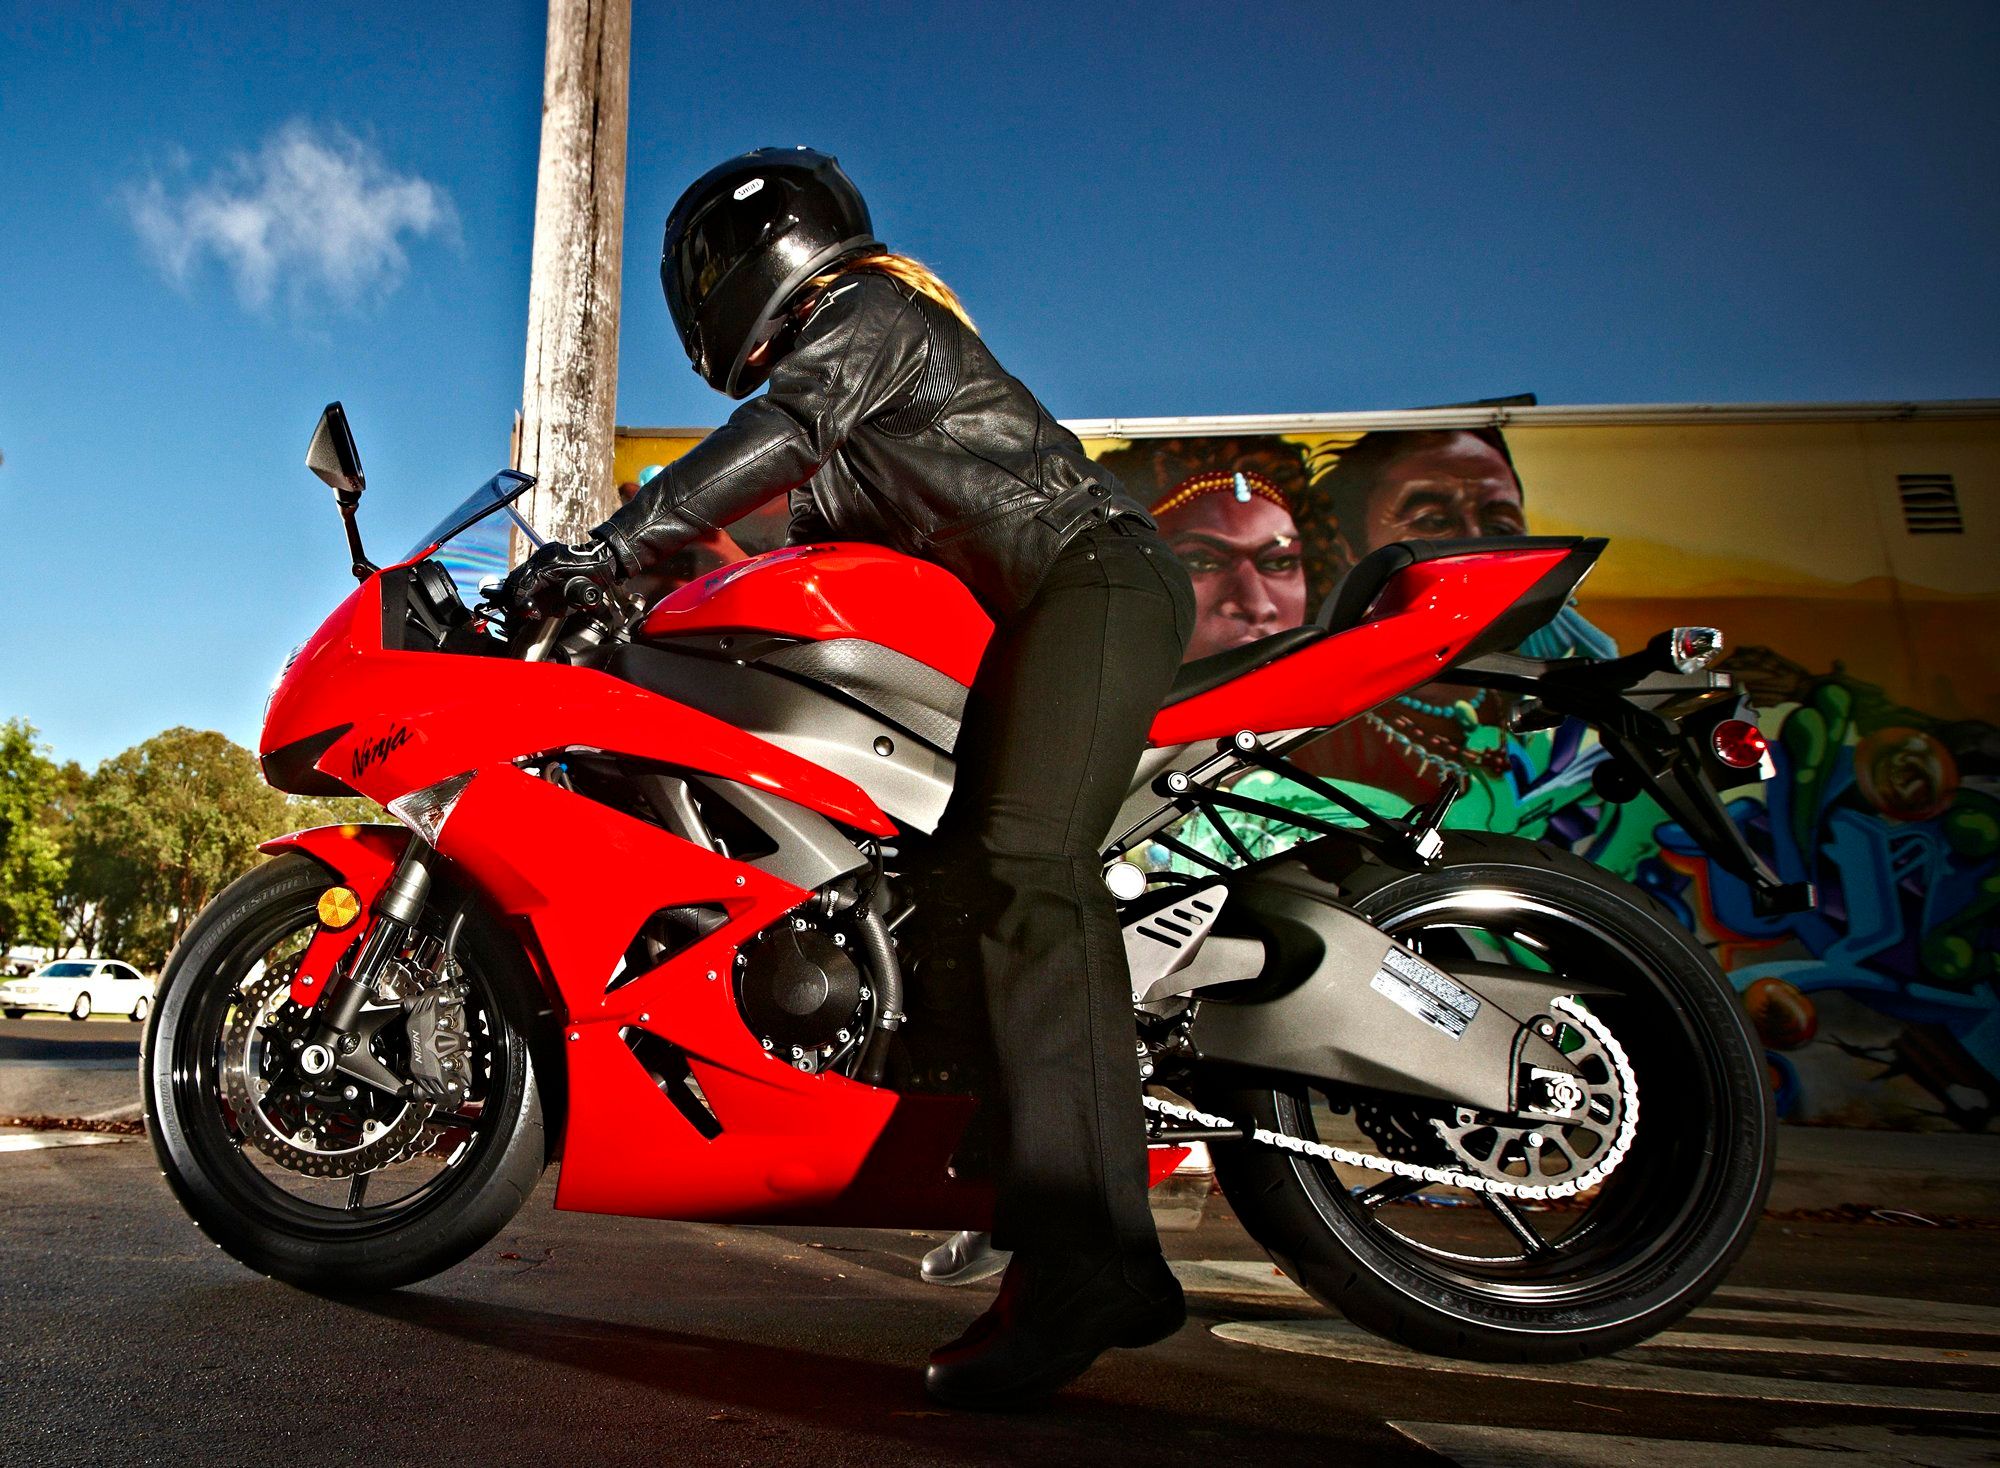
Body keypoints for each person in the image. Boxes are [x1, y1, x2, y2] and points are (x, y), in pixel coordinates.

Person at [500, 148, 1196, 1409]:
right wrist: (625, 613)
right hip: (1032, 614)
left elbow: (767, 439)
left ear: (757, 255)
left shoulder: (866, 319)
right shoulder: (849, 438)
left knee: (1025, 865)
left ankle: (1092, 1253)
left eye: (703, 272)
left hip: (1091, 575)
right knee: (927, 882)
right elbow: (766, 559)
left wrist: (602, 552)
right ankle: (1015, 1200)